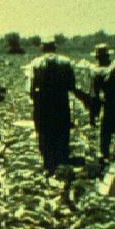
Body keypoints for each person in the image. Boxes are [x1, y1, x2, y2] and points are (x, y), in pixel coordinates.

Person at [29, 37, 78, 174]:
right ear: (54, 48)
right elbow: (71, 85)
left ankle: (48, 164)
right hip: (60, 104)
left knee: (44, 134)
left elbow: (32, 89)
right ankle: (61, 163)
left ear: (42, 48)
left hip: (43, 106)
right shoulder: (65, 62)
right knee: (61, 133)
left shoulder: (36, 63)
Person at [90, 44, 115, 160]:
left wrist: (92, 115)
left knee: (105, 132)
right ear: (108, 56)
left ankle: (105, 154)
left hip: (109, 105)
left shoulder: (97, 72)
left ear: (97, 57)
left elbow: (94, 96)